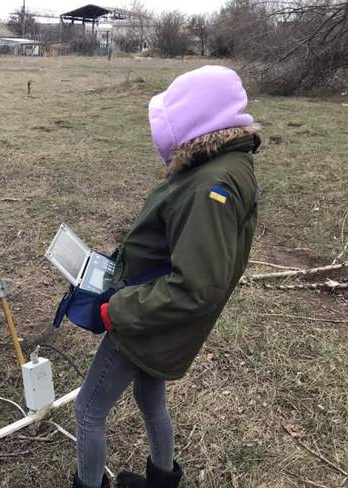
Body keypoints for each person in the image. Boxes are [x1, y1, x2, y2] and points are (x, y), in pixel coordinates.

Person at [72, 66, 261, 488]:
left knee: (88, 411)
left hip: (148, 319)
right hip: (161, 318)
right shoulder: (223, 164)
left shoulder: (212, 185)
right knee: (149, 397)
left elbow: (198, 286)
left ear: (198, 119)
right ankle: (161, 480)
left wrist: (117, 309)